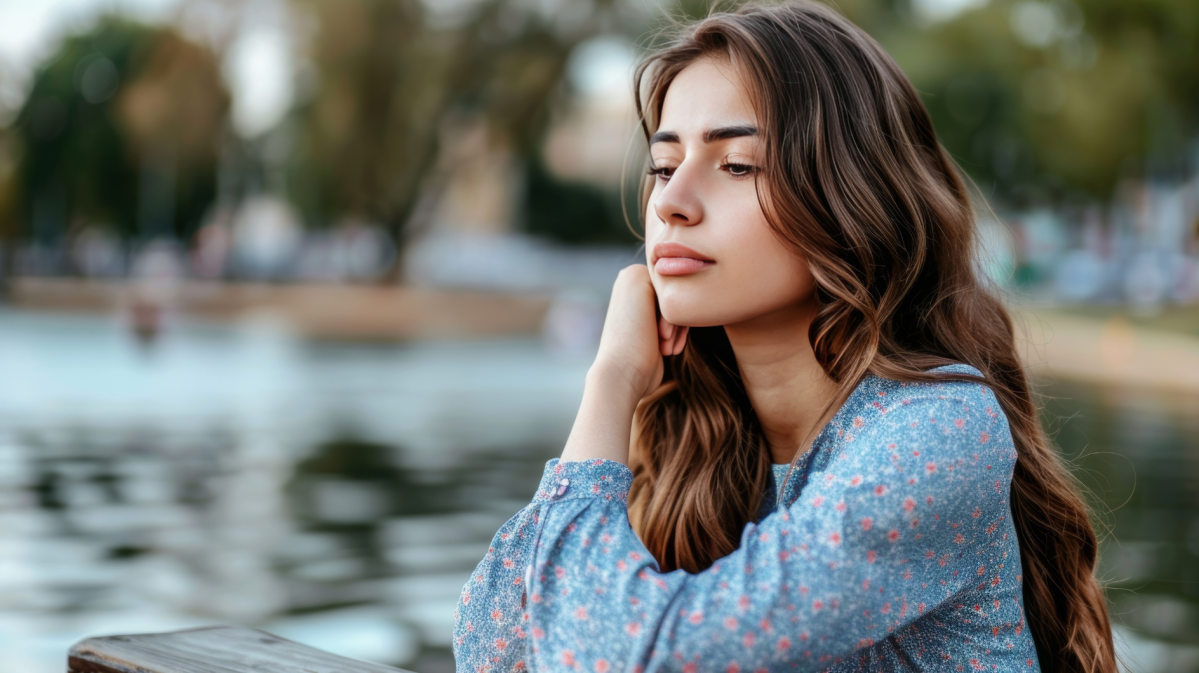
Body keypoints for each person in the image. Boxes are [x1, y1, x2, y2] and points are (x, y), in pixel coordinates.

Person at [453, 2, 1116, 671]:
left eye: (736, 164)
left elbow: (624, 656)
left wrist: (612, 384)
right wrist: (612, 387)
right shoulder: (693, 434)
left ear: (849, 198)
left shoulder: (937, 431)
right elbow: (493, 652)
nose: (670, 201)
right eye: (661, 166)